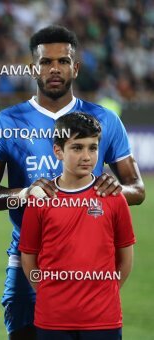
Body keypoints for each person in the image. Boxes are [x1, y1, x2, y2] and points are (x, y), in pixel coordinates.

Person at [0, 25, 145, 340]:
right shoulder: (6, 123)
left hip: (89, 265)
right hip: (28, 257)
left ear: (75, 67)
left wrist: (114, 189)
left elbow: (137, 188)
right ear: (33, 68)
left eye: (63, 61)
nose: (55, 69)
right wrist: (24, 193)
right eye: (46, 62)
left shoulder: (105, 120)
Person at [20, 112, 135, 340]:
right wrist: (47, 292)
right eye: (77, 148)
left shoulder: (113, 197)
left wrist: (105, 294)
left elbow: (125, 257)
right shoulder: (41, 198)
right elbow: (28, 258)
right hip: (53, 319)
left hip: (103, 320)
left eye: (92, 148)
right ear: (58, 151)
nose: (86, 156)